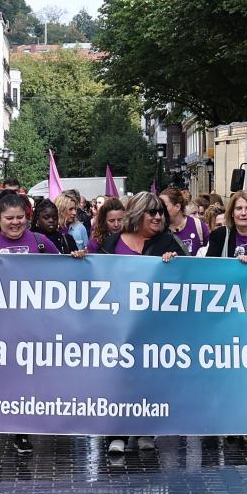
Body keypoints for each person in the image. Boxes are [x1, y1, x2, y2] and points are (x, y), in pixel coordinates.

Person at [0, 190, 67, 455]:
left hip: (30, 325)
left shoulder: (41, 241)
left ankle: (20, 432)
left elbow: (65, 271)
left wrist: (77, 259)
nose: (15, 223)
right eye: (9, 218)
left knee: (23, 379)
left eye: (20, 217)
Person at [92, 191, 184, 457]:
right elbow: (93, 274)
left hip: (155, 326)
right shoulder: (111, 242)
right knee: (119, 379)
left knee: (149, 378)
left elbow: (190, 276)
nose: (157, 217)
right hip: (117, 325)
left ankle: (145, 430)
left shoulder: (169, 242)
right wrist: (80, 258)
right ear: (137, 214)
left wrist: (176, 265)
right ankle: (116, 433)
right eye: (151, 212)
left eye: (160, 213)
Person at [161, 186, 208, 255]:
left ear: (177, 207)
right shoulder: (159, 229)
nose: (160, 209)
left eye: (164, 206)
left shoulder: (198, 225)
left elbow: (212, 254)